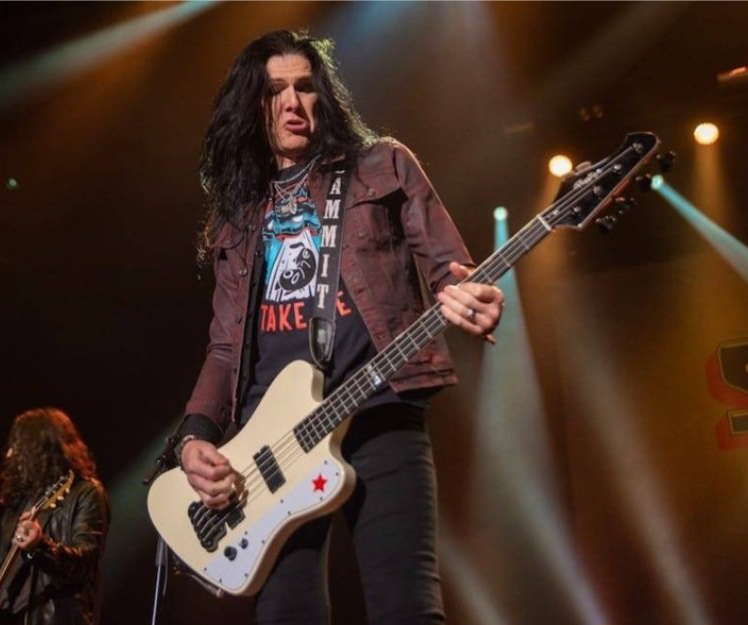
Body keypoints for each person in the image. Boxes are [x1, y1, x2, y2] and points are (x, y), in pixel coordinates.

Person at [171, 30, 505, 625]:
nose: (292, 104)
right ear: (252, 105)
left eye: (305, 88)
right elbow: (224, 348)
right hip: (270, 446)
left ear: (323, 97)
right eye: (274, 91)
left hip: (378, 409)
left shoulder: (381, 165)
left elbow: (452, 270)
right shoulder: (240, 217)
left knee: (407, 608)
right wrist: (195, 436)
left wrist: (466, 295)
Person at [0, 407, 110, 625]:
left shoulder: (85, 493)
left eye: (18, 446)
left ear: (40, 449)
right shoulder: (19, 502)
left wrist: (41, 546)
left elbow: (86, 564)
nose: (10, 454)